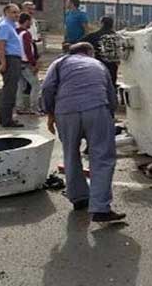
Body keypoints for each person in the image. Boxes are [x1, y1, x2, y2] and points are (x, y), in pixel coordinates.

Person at [41, 42, 124, 222]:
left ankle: (78, 198)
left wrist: (50, 113)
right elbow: (111, 94)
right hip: (96, 108)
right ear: (89, 53)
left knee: (70, 154)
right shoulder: (98, 64)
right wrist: (108, 116)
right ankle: (101, 209)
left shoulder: (59, 63)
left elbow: (47, 88)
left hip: (66, 112)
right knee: (102, 156)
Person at [0, 4, 24, 128]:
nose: (16, 15)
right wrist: (3, 62)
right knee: (10, 91)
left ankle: (3, 118)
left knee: (9, 90)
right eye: (13, 12)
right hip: (10, 59)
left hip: (14, 59)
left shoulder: (12, 26)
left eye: (17, 12)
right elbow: (1, 45)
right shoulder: (5, 26)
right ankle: (7, 120)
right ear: (6, 12)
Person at [79, 16, 120, 88]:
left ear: (102, 24)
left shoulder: (94, 35)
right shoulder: (117, 36)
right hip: (113, 66)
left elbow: (80, 44)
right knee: (112, 85)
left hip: (99, 64)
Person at [15, 12, 41, 115]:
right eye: (30, 21)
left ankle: (19, 107)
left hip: (17, 63)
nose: (31, 23)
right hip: (25, 64)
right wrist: (33, 63)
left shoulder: (15, 32)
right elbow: (28, 50)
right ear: (26, 21)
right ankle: (34, 108)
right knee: (36, 85)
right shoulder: (25, 34)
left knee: (20, 86)